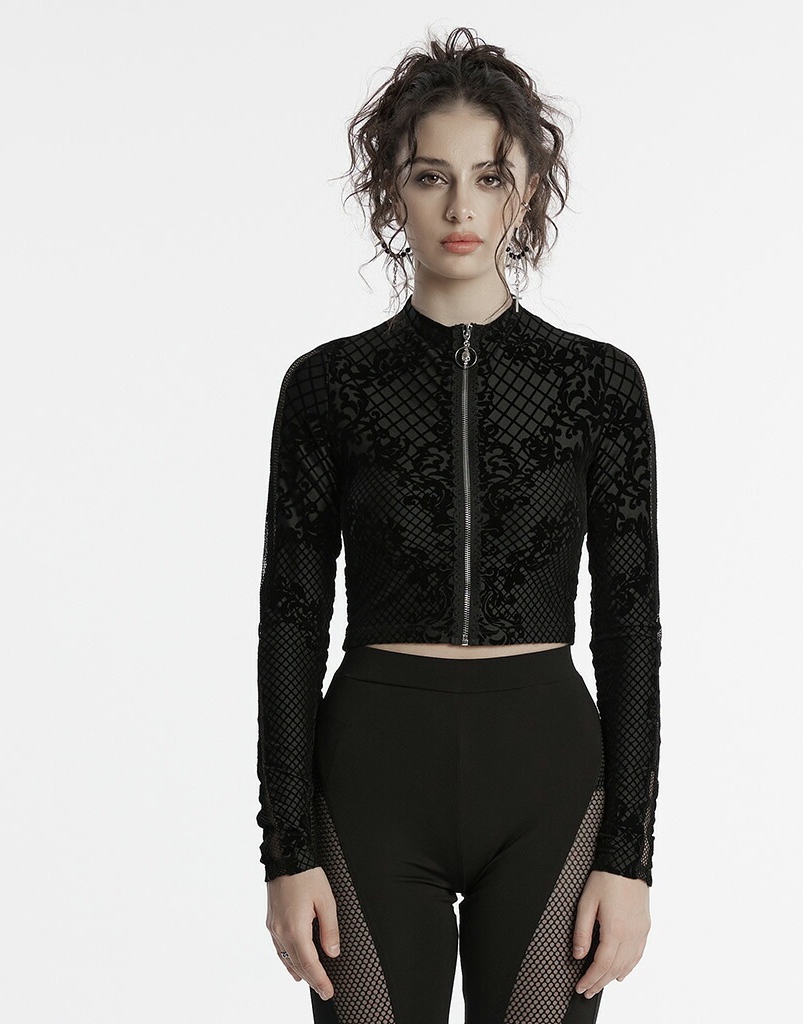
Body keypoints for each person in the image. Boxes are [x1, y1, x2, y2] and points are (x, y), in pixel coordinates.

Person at [256, 26, 662, 1024]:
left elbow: (629, 625)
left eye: (489, 177)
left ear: (526, 189)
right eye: (431, 176)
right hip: (370, 778)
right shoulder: (328, 388)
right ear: (391, 190)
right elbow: (291, 622)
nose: (460, 208)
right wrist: (286, 850)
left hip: (548, 781)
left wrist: (629, 858)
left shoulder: (597, 386)